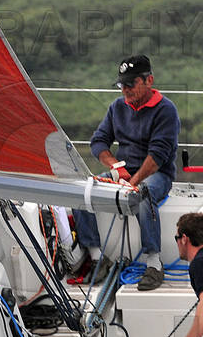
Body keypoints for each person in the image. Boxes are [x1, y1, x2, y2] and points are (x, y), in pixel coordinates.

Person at [69, 54, 179, 291]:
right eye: (122, 85)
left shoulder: (166, 110)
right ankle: (97, 257)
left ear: (149, 81)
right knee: (82, 190)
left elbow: (157, 158)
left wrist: (133, 182)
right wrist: (116, 167)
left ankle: (154, 262)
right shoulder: (116, 108)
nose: (125, 89)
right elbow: (98, 141)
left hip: (158, 174)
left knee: (143, 193)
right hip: (124, 172)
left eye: (131, 83)